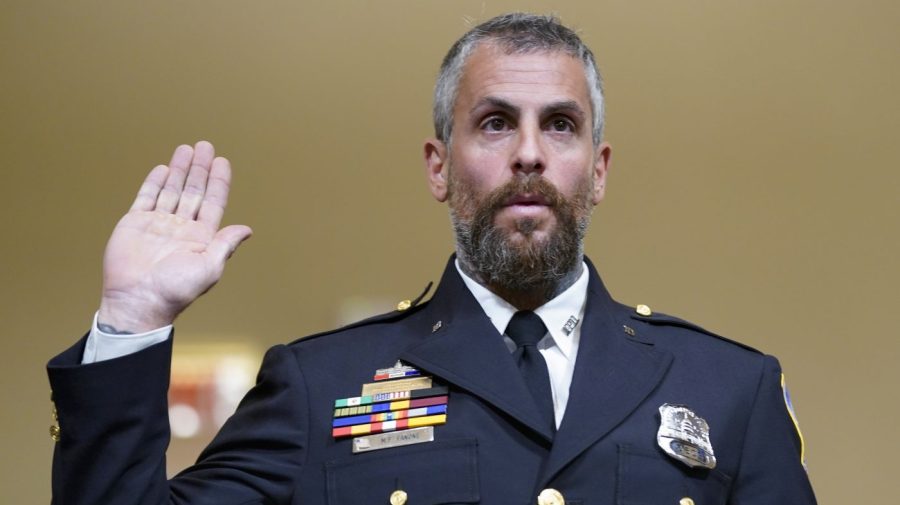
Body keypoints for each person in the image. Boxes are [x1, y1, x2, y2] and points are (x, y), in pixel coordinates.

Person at [47, 13, 817, 505]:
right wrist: (131, 322)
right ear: (438, 167)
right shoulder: (321, 388)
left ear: (599, 168)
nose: (527, 154)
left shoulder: (729, 390)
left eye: (559, 125)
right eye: (492, 123)